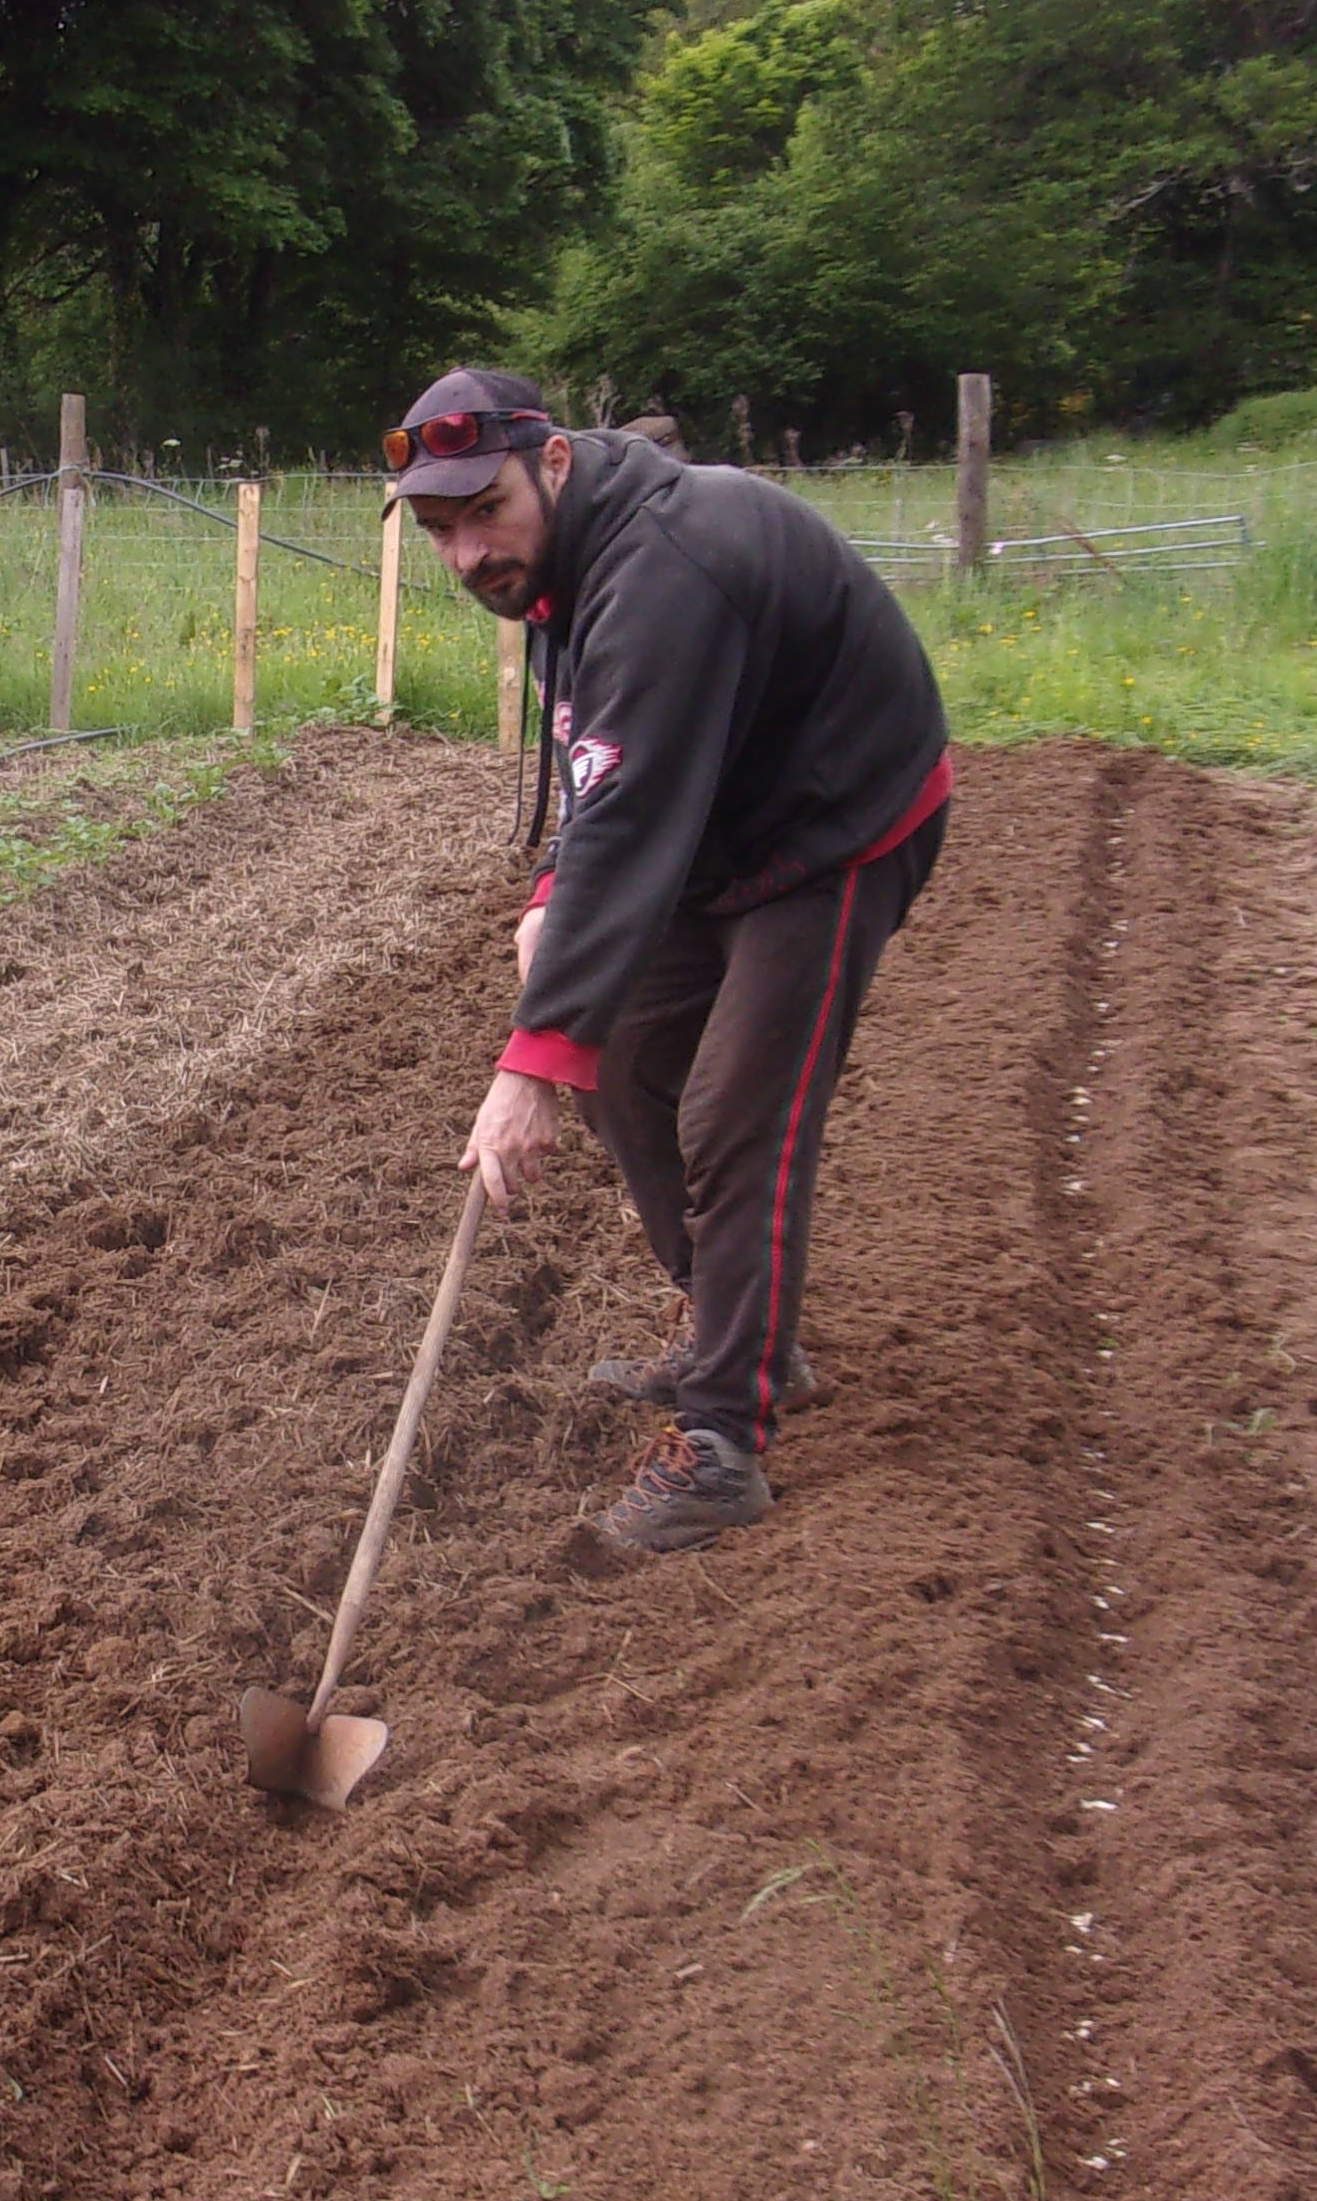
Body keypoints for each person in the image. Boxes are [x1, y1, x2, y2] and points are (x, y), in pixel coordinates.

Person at [389, 366, 951, 1556]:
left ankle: (723, 1442)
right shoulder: (563, 558)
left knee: (740, 1113)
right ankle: (744, 1333)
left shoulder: (664, 566)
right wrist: (554, 896)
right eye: (439, 530)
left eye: (482, 511)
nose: (465, 554)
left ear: (550, 464)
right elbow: (604, 761)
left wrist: (529, 1063)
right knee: (631, 1061)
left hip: (836, 823)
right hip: (718, 823)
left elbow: (634, 808)